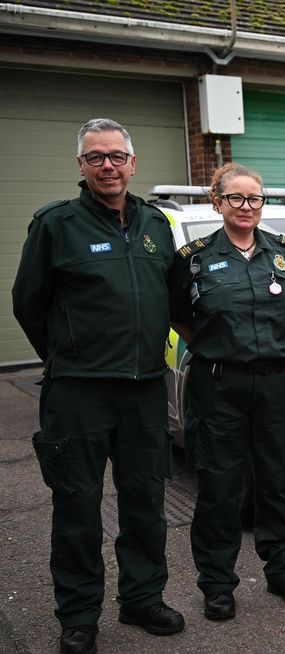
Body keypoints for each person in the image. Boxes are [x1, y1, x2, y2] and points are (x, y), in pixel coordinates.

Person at [12, 118, 184, 654]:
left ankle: (141, 599)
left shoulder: (157, 225)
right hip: (78, 394)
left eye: (116, 156)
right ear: (81, 167)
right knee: (77, 506)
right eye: (95, 157)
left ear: (132, 164)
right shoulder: (55, 224)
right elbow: (28, 303)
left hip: (143, 393)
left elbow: (173, 299)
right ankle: (80, 615)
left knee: (145, 503)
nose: (107, 165)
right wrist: (69, 355)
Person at [169, 162, 285, 622]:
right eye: (235, 198)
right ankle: (217, 584)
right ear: (218, 202)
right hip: (220, 385)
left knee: (278, 481)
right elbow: (178, 318)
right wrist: (220, 350)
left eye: (254, 198)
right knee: (219, 486)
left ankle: (284, 572)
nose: (246, 206)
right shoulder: (192, 259)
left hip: (277, 385)